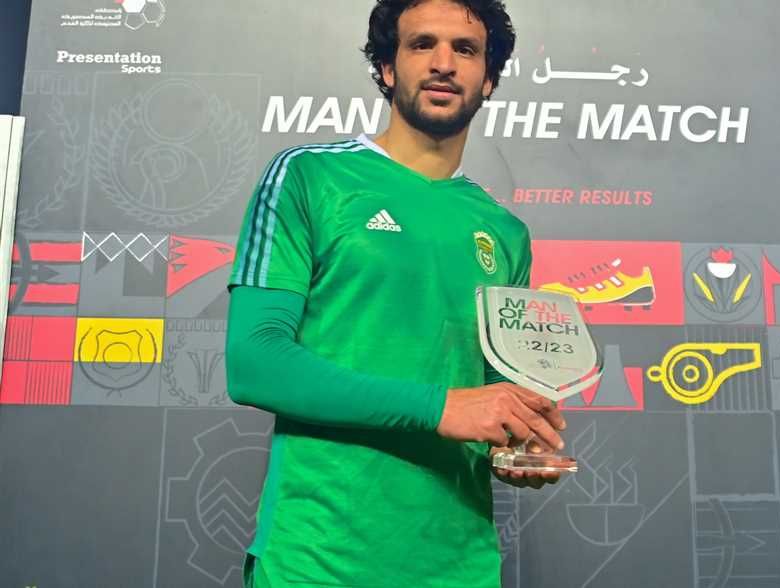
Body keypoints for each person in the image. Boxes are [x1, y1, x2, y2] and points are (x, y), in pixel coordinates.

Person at [225, 1, 566, 586]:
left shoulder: (505, 232)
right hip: (317, 563)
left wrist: (518, 446)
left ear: (488, 79)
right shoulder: (308, 176)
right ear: (387, 67)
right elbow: (254, 362)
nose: (443, 63)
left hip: (460, 569)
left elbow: (493, 397)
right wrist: (442, 407)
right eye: (421, 44)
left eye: (465, 49)